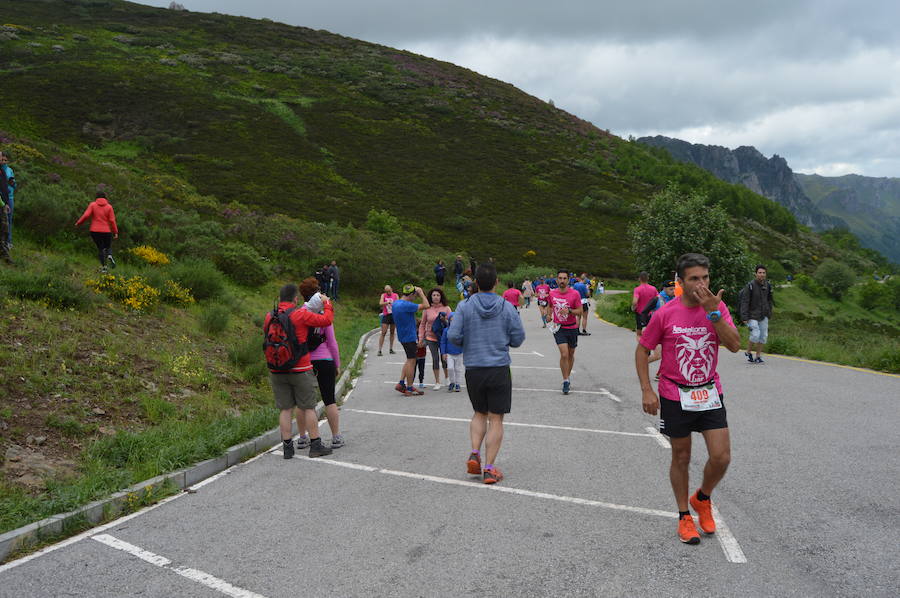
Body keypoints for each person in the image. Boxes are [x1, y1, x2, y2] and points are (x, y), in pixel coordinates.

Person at [635, 253, 740, 545]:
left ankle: (702, 498)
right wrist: (646, 389)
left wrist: (714, 313)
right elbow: (643, 350)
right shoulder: (665, 313)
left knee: (721, 457)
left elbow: (733, 345)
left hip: (708, 391)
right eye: (694, 278)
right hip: (675, 393)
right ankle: (684, 516)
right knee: (681, 456)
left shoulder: (717, 308)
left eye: (705, 278)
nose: (702, 284)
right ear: (680, 282)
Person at [448, 263, 525, 484]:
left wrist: (468, 343)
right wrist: (503, 341)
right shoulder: (507, 307)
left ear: (476, 283)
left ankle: (474, 452)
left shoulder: (464, 306)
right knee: (496, 418)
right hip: (499, 368)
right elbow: (518, 339)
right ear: (497, 282)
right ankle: (490, 469)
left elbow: (453, 336)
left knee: (479, 413)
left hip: (474, 368)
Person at [264, 283, 335, 459]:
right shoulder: (300, 314)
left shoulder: (269, 316)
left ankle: (288, 448)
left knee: (285, 409)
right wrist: (327, 303)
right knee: (308, 407)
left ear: (280, 298)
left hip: (277, 369)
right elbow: (326, 320)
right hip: (301, 368)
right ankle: (315, 445)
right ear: (296, 299)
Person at [296, 278, 344, 449]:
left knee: (303, 402)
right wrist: (337, 363)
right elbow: (332, 342)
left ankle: (302, 437)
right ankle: (336, 436)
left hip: (304, 362)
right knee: (329, 399)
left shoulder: (299, 313)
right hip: (325, 360)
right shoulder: (324, 314)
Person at [391, 284, 430, 396]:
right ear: (412, 294)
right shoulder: (407, 305)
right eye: (415, 295)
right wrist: (422, 293)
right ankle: (409, 387)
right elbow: (427, 305)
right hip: (409, 336)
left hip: (403, 335)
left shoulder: (396, 303)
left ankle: (401, 383)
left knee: (409, 360)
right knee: (412, 361)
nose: (416, 297)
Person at [549, 270, 583, 395]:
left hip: (572, 327)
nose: (562, 281)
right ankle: (565, 380)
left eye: (564, 278)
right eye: (560, 278)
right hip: (559, 328)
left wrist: (569, 311)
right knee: (564, 354)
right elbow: (550, 305)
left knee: (570, 353)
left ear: (568, 280)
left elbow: (579, 311)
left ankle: (567, 377)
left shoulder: (575, 294)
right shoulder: (552, 293)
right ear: (557, 280)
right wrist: (548, 315)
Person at [75, 191, 118, 273]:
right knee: (108, 246)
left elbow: (86, 215)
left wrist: (78, 223)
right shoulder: (109, 207)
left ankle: (104, 267)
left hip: (94, 231)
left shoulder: (92, 205)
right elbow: (112, 221)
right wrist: (115, 232)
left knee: (101, 248)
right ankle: (109, 255)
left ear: (96, 197)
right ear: (105, 197)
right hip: (106, 231)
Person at [739, 264, 774, 364]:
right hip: (752, 315)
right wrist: (744, 316)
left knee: (763, 336)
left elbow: (769, 300)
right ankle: (748, 351)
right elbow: (745, 301)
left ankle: (758, 356)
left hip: (764, 315)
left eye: (763, 273)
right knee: (755, 335)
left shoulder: (768, 285)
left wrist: (769, 311)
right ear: (755, 274)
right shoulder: (750, 286)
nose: (762, 274)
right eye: (760, 273)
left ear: (766, 274)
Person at [418, 288, 452, 390]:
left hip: (443, 338)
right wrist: (420, 337)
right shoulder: (427, 308)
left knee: (444, 358)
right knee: (435, 359)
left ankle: (447, 378)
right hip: (430, 337)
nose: (436, 297)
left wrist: (445, 320)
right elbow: (422, 324)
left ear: (441, 296)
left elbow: (452, 323)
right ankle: (437, 381)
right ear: (430, 297)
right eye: (434, 295)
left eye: (438, 295)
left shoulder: (446, 308)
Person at [439, 311, 463, 392]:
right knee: (450, 368)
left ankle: (457, 384)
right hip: (449, 353)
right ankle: (452, 382)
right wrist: (443, 353)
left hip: (459, 353)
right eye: (451, 320)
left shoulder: (461, 330)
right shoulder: (446, 330)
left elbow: (464, 341)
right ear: (449, 321)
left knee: (458, 369)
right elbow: (443, 342)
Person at [632, 272, 658, 340]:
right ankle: (648, 348)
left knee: (639, 333)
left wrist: (633, 308)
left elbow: (635, 302)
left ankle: (642, 348)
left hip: (640, 314)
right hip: (650, 314)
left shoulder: (637, 289)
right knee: (649, 332)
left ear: (639, 279)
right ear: (648, 278)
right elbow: (658, 299)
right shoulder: (653, 289)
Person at [377, 285, 398, 356]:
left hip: (393, 315)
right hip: (386, 315)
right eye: (387, 291)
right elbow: (380, 303)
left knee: (392, 332)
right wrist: (387, 303)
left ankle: (391, 349)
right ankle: (379, 350)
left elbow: (398, 304)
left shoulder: (395, 295)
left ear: (392, 289)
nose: (388, 292)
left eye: (389, 291)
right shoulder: (383, 295)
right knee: (383, 332)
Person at [1, 152, 15, 249]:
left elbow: (15, 185)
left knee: (9, 219)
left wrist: (12, 183)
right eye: (3, 160)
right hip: (1, 197)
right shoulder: (1, 170)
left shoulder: (10, 170)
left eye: (6, 160)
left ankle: (8, 241)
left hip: (9, 198)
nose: (4, 162)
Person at [0, 163, 10, 264]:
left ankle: (4, 253)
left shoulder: (2, 171)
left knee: (5, 229)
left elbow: (5, 188)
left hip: (3, 204)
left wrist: (6, 203)